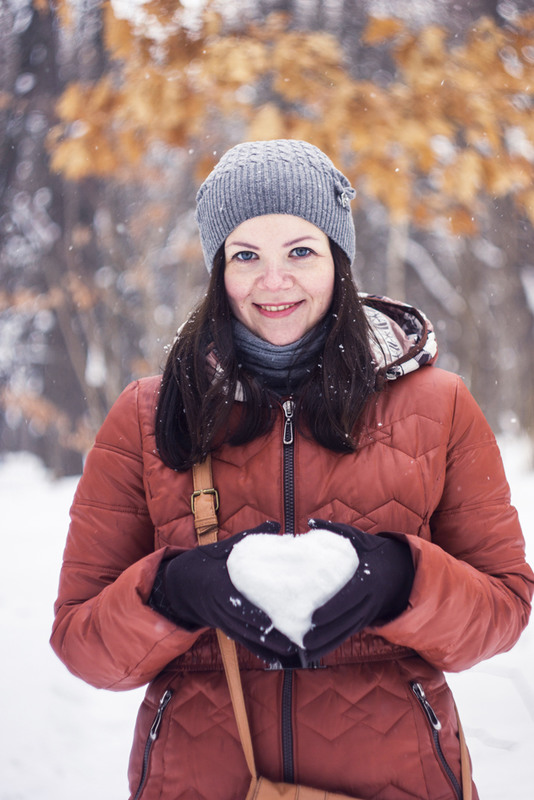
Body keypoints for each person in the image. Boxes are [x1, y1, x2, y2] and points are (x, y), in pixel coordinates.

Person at [51, 139, 533, 800]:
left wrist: (402, 578)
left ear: (338, 258)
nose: (273, 281)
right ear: (218, 269)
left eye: (300, 252)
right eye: (246, 255)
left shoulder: (439, 406)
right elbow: (82, 643)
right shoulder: (145, 416)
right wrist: (173, 590)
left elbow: (505, 607)